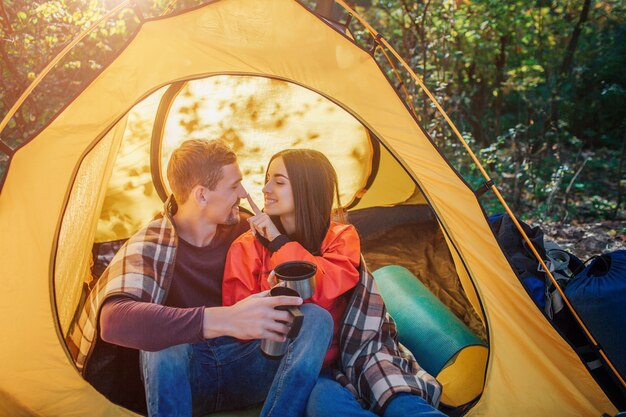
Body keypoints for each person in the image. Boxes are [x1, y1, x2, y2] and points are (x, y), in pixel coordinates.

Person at [67, 139, 333, 417]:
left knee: (316, 318)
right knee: (164, 341)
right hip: (188, 380)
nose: (243, 192)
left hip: (252, 364)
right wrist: (226, 318)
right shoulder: (151, 242)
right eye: (234, 186)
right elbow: (113, 320)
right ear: (202, 195)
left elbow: (319, 256)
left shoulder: (250, 230)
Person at [222, 148, 446, 417]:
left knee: (401, 401)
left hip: (357, 351)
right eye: (267, 178)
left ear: (308, 189)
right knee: (326, 406)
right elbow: (241, 326)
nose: (265, 188)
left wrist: (280, 242)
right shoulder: (246, 248)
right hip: (299, 366)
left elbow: (322, 288)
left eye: (279, 182)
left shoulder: (340, 236)